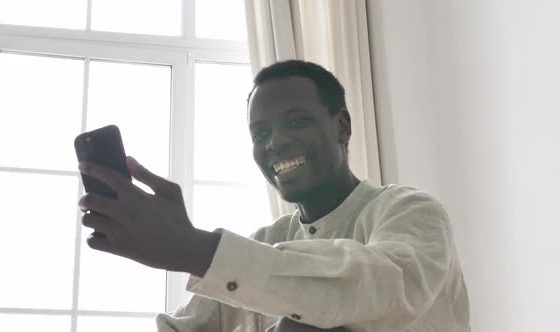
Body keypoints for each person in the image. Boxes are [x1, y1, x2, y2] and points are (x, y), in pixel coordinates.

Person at [78, 60, 471, 332]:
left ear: (342, 126)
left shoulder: (411, 211)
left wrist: (191, 248)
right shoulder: (265, 242)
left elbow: (380, 290)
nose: (276, 142)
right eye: (260, 133)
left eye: (296, 122)